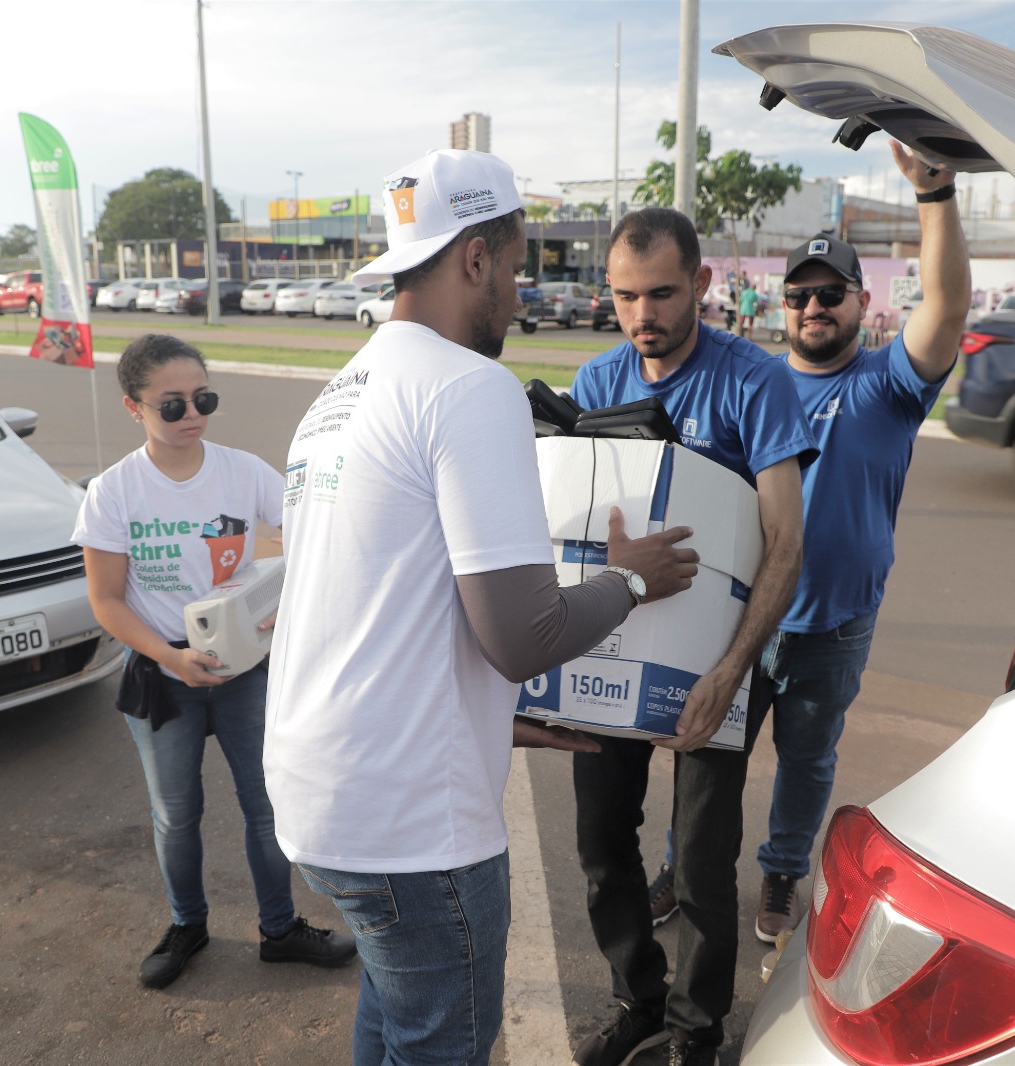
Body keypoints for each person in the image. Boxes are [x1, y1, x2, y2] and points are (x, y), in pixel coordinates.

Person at [260, 150, 698, 1066]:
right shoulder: (469, 389)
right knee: (442, 1042)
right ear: (475, 259)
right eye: (516, 262)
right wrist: (631, 580)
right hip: (412, 828)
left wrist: (495, 719)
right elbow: (525, 635)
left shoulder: (337, 399)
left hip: (321, 791)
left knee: (393, 1010)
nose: (519, 286)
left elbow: (378, 606)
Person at [567, 207, 815, 1066]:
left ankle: (695, 1031)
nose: (645, 315)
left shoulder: (756, 383)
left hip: (719, 664)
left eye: (664, 293)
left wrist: (731, 672)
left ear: (703, 285)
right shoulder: (596, 383)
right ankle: (637, 1000)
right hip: (614, 652)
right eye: (627, 295)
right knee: (602, 847)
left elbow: (787, 542)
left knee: (705, 867)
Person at [73, 333, 356, 990]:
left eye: (204, 397)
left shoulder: (242, 471)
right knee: (176, 813)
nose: (192, 413)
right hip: (162, 678)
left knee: (265, 805)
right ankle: (188, 924)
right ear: (132, 407)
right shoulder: (114, 493)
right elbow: (107, 602)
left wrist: (284, 601)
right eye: (171, 404)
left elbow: (309, 530)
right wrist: (169, 656)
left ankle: (280, 930)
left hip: (243, 673)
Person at [745, 142, 970, 943]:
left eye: (829, 293)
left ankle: (780, 874)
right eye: (799, 294)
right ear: (784, 306)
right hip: (745, 618)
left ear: (859, 301)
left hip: (835, 626)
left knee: (807, 763)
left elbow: (944, 308)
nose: (813, 307)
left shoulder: (888, 384)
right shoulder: (755, 382)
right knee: (711, 762)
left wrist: (935, 195)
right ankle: (686, 865)